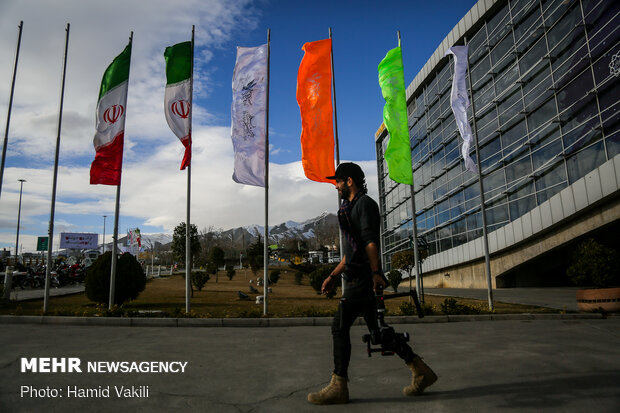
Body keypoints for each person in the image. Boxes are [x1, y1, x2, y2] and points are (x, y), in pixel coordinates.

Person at [307, 162, 437, 405]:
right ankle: (420, 371)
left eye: (338, 181)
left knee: (339, 326)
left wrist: (376, 272)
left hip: (362, 279)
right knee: (377, 333)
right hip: (357, 277)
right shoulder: (350, 207)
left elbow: (369, 242)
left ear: (349, 181)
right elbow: (351, 252)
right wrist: (333, 276)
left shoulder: (365, 205)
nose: (335, 186)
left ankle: (339, 385)